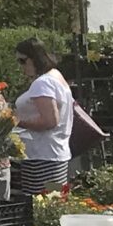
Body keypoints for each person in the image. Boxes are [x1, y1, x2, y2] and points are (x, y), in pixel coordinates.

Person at [10, 38, 76, 196]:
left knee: (40, 202)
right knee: (54, 201)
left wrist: (16, 121)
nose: (21, 66)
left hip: (41, 157)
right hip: (55, 154)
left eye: (22, 61)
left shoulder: (43, 83)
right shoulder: (55, 76)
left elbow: (49, 121)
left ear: (34, 58)